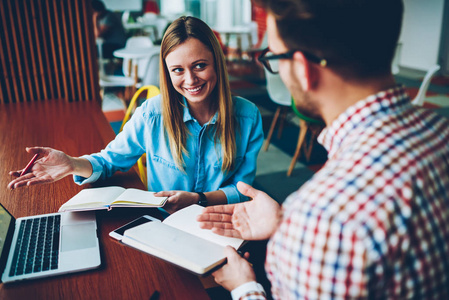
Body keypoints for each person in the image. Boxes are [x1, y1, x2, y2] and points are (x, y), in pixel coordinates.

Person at [197, 0, 449, 299]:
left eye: (275, 57)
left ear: (303, 69)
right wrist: (283, 222)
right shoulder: (440, 131)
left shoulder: (324, 219)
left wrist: (244, 287)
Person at [8, 16, 264, 215]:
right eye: (177, 70)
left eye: (200, 65)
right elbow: (108, 162)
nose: (190, 80)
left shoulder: (248, 117)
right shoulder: (152, 114)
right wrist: (72, 164)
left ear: (216, 63)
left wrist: (198, 200)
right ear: (167, 72)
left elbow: (243, 190)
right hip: (165, 222)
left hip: (221, 219)